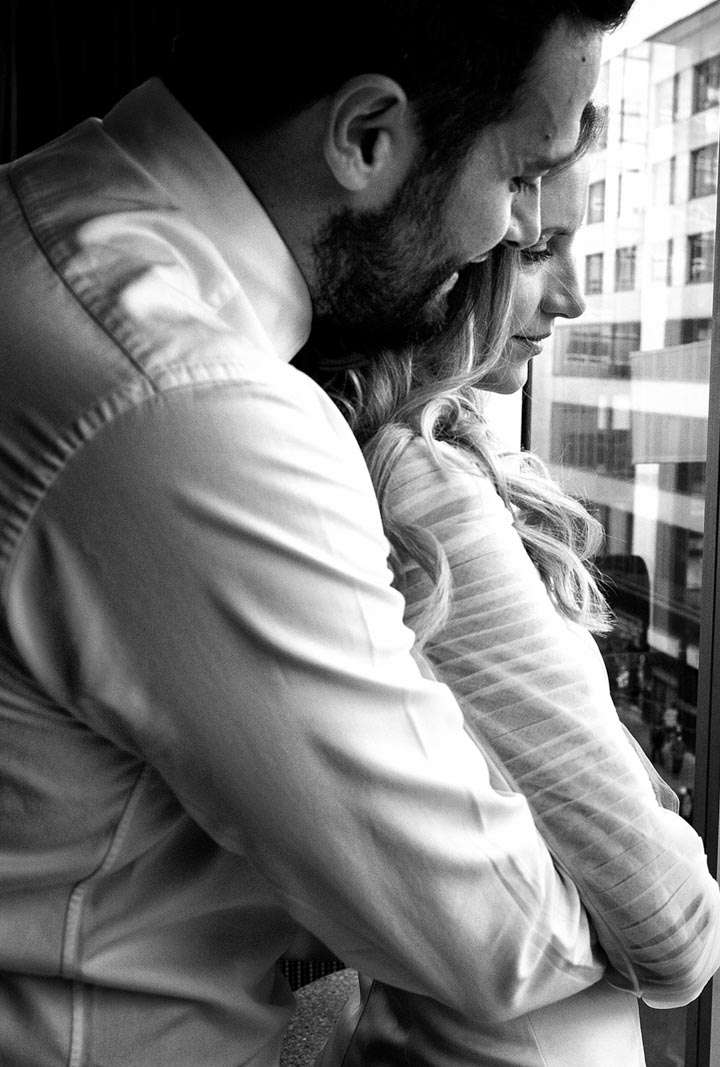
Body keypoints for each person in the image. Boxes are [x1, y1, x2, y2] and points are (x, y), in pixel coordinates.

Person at [0, 2, 641, 1063]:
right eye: (520, 176)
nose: (510, 233)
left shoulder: (46, 214)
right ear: (365, 138)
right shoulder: (189, 407)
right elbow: (498, 937)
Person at [303, 105, 720, 1064]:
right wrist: (641, 848)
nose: (573, 299)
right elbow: (678, 933)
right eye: (539, 250)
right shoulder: (424, 490)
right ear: (455, 257)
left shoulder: (424, 461)